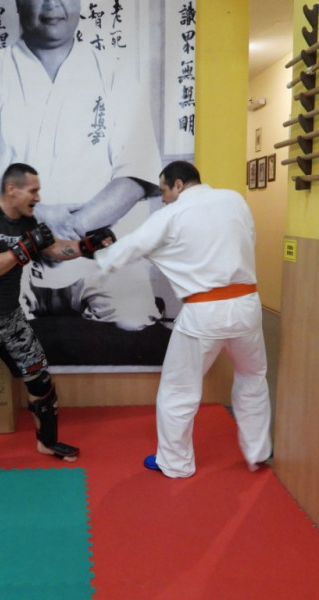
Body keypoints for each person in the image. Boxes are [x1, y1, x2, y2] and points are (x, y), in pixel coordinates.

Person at [0, 0, 162, 332]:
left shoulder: (114, 73)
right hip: (12, 243)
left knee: (133, 321)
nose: (51, 6)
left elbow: (135, 173)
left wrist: (72, 227)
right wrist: (38, 218)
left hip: (95, 246)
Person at [0, 163, 114, 485]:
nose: (38, 197)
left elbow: (55, 249)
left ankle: (46, 443)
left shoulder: (27, 221)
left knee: (41, 383)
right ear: (12, 190)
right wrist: (23, 249)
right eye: (33, 191)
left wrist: (86, 245)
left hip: (12, 317)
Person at [95, 161, 272, 477]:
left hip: (205, 314)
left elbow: (134, 245)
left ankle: (175, 463)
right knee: (253, 376)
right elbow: (246, 241)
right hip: (247, 306)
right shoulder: (234, 200)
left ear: (178, 185)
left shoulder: (172, 215)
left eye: (164, 190)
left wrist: (102, 257)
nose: (162, 198)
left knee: (179, 390)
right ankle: (258, 453)